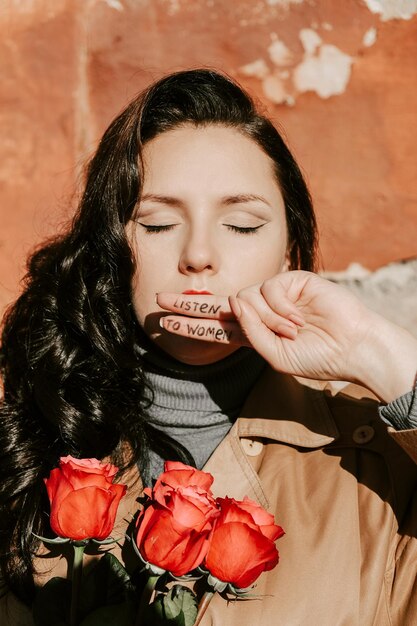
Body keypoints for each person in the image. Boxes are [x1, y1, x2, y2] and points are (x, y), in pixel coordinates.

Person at [1, 68, 417, 626]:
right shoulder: (40, 437)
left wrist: (380, 354)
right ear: (111, 253)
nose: (198, 255)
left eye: (242, 226)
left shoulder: (379, 459)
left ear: (289, 253)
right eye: (157, 223)